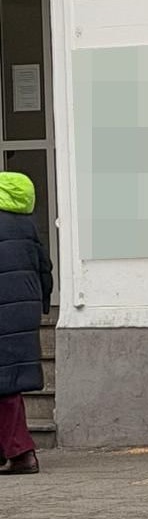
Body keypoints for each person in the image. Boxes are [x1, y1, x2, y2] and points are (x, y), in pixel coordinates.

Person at [0, 171, 52, 475]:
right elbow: (44, 268)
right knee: (7, 385)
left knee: (5, 388)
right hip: (22, 311)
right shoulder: (25, 225)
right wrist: (41, 305)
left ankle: (22, 453)